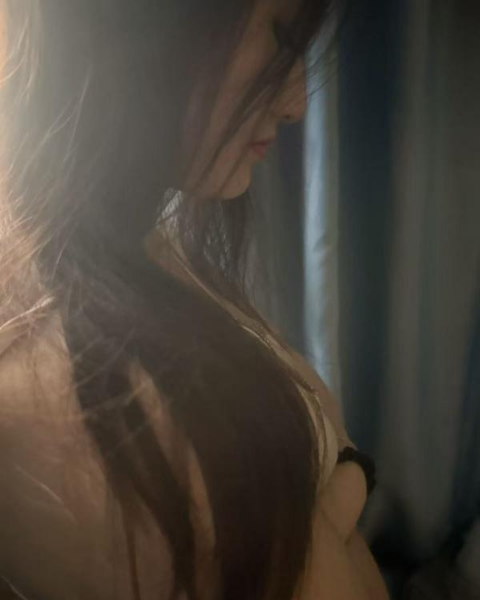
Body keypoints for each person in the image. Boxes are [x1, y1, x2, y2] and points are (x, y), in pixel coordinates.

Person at [0, 1, 389, 599]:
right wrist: (347, 478)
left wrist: (337, 491)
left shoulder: (128, 246)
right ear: (144, 29)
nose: (296, 103)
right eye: (282, 41)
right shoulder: (90, 396)